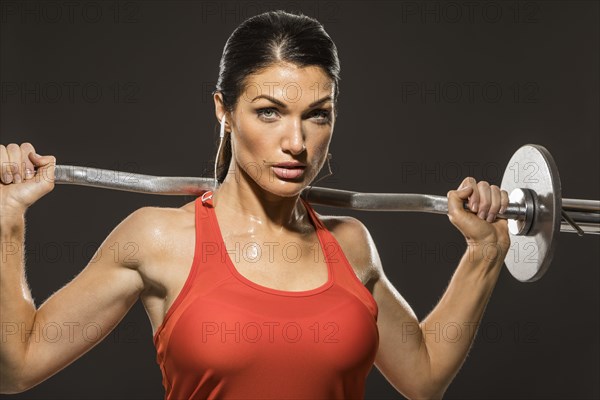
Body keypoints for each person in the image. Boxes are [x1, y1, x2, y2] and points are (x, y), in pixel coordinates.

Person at [0, 10, 510, 400]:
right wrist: (7, 221)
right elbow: (18, 365)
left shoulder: (351, 245)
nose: (297, 142)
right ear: (224, 109)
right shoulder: (157, 238)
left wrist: (484, 254)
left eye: (317, 115)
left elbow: (422, 377)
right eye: (269, 112)